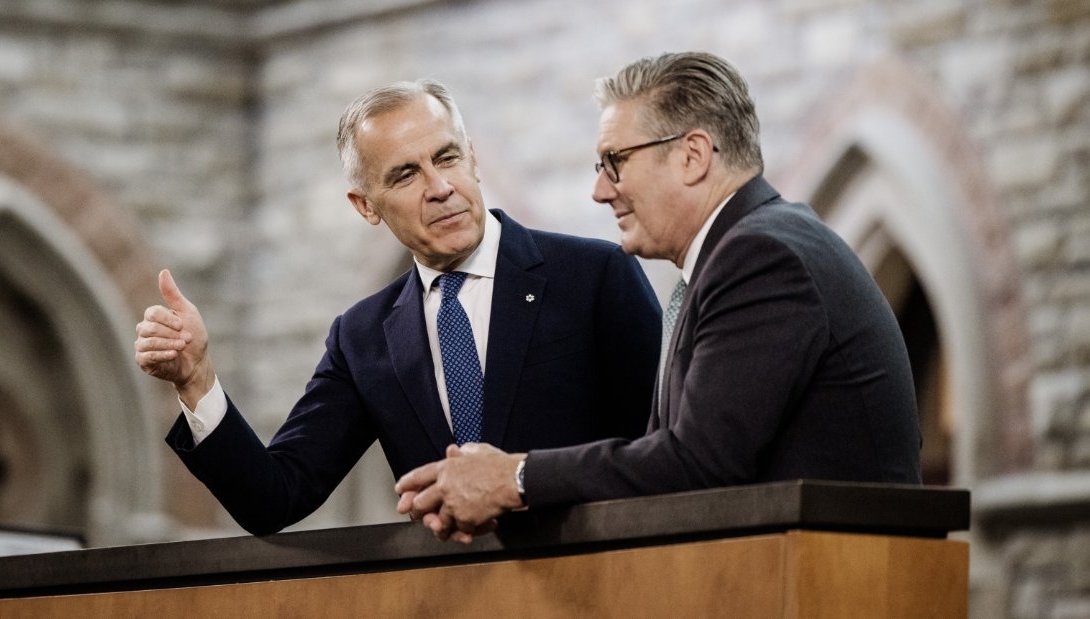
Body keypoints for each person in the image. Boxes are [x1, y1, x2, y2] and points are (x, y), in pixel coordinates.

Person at [395, 52, 923, 543]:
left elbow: (697, 464)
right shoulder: (738, 255)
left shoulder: (762, 258)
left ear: (693, 156)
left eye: (615, 161)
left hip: (833, 580)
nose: (601, 191)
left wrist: (516, 477)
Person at [134, 79, 661, 535]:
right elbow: (274, 496)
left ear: (473, 158)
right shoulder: (362, 338)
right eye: (406, 175)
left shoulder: (594, 276)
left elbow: (661, 450)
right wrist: (196, 380)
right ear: (365, 205)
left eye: (447, 158)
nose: (440, 187)